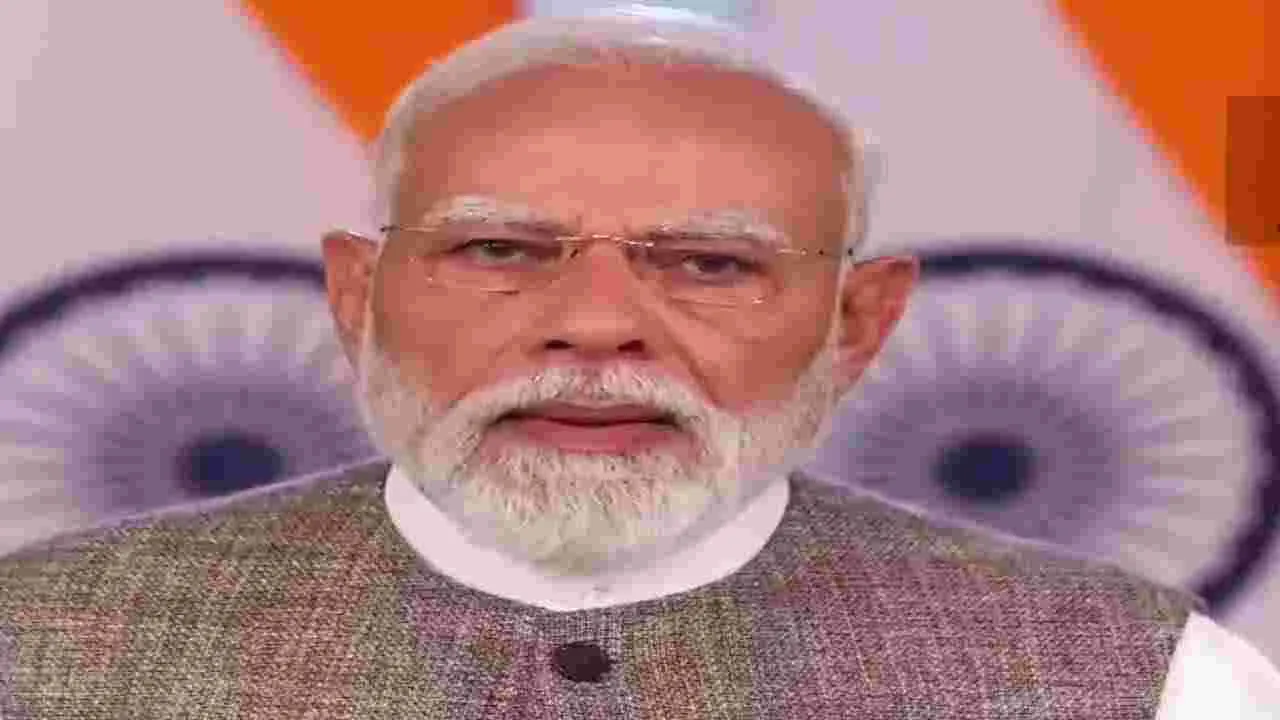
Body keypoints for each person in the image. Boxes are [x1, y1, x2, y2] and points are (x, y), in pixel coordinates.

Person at [1, 5, 1277, 717]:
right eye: (500, 250)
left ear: (855, 323)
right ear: (357, 296)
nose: (597, 324)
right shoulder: (37, 649)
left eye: (708, 264)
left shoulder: (1146, 683)